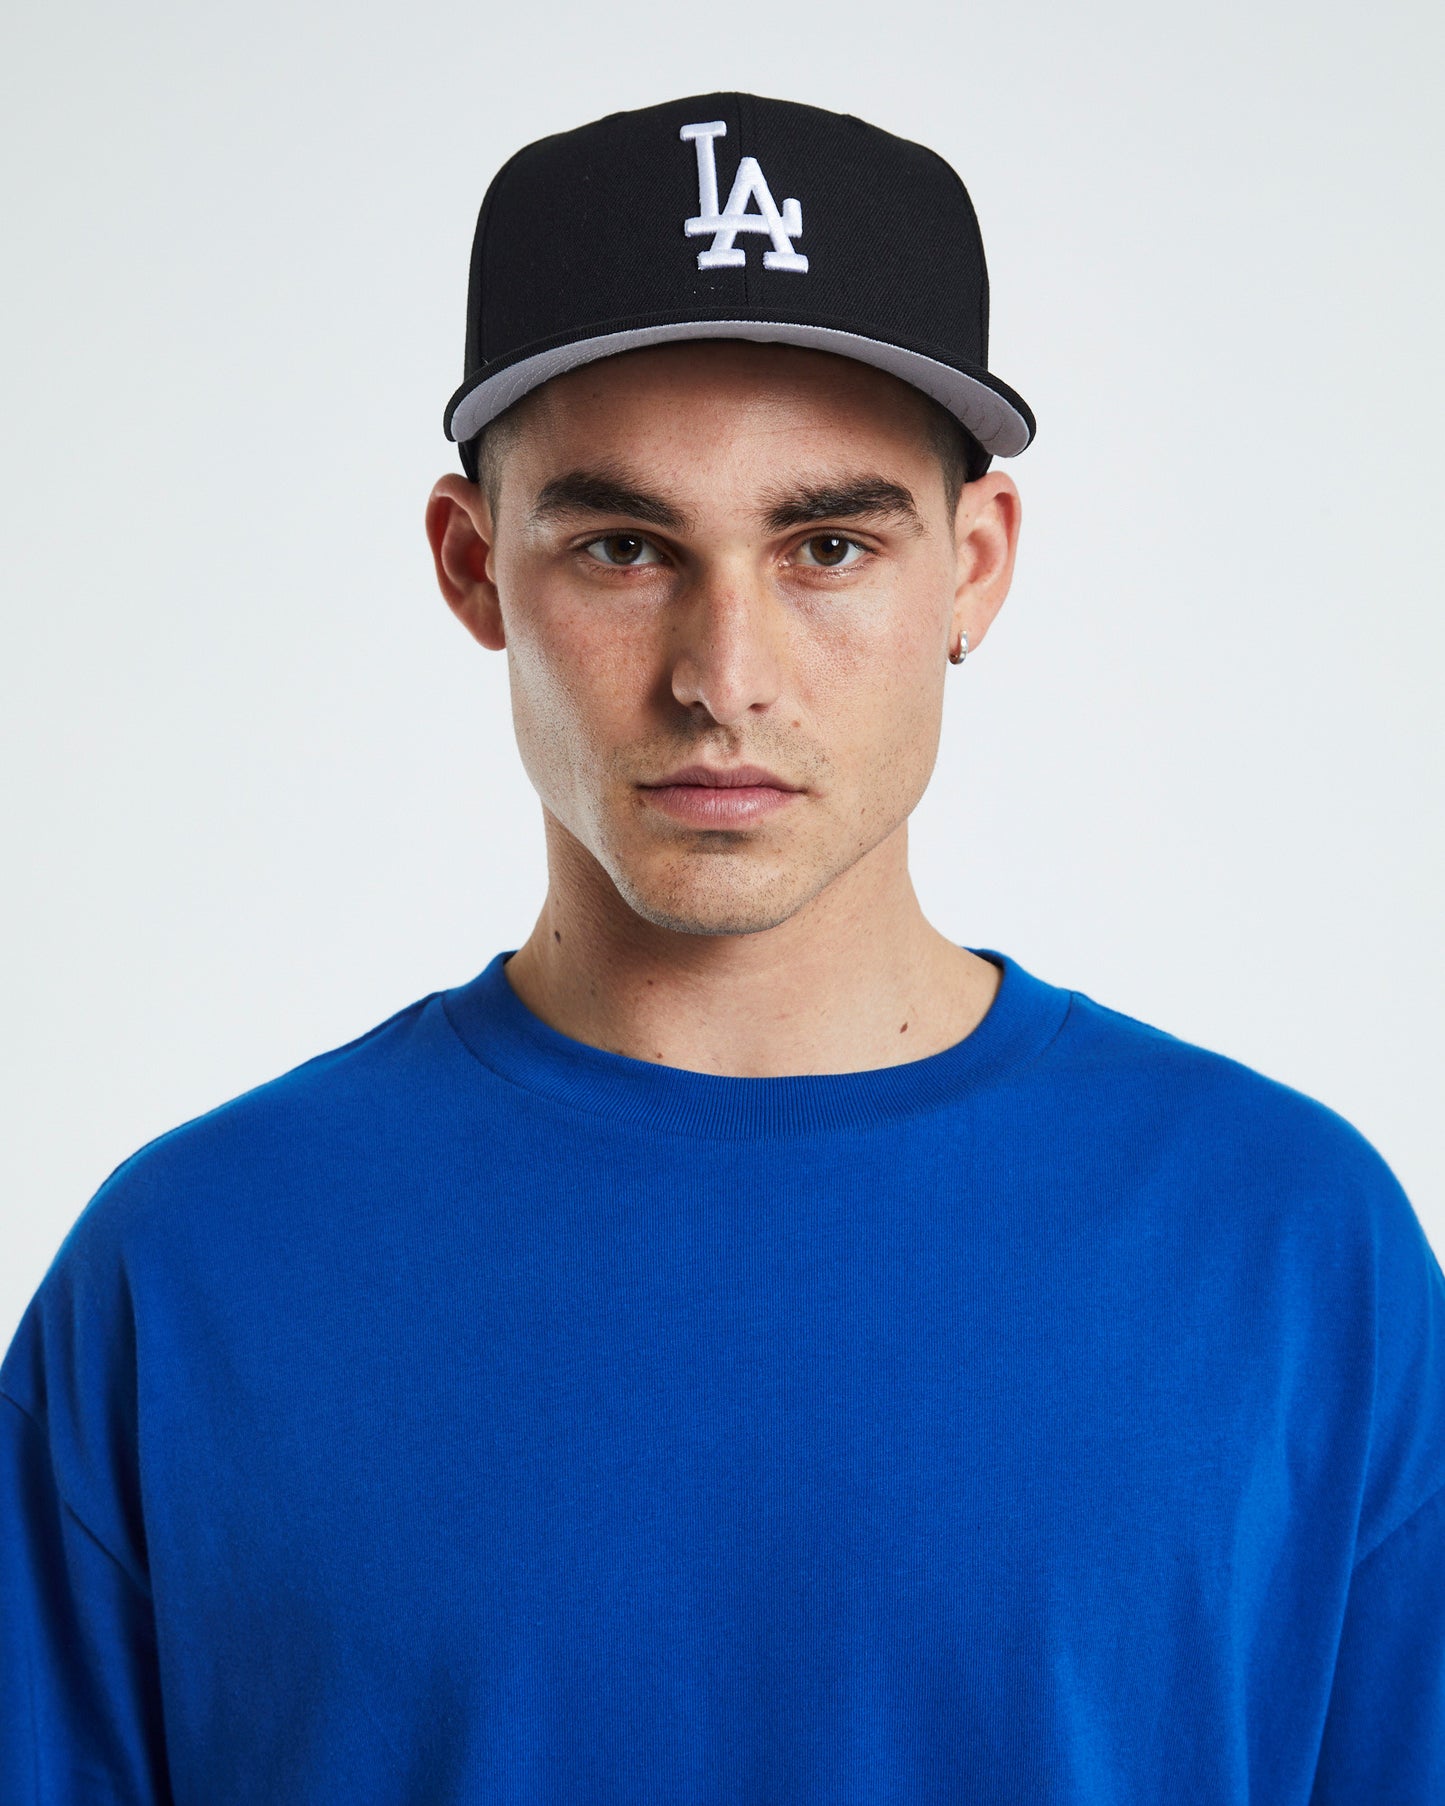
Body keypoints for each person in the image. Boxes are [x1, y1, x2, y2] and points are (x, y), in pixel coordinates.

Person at [2, 91, 1441, 1805]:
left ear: (973, 567)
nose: (723, 674)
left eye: (826, 546)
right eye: (624, 547)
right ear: (473, 566)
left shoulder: (1284, 1248)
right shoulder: (191, 1276)